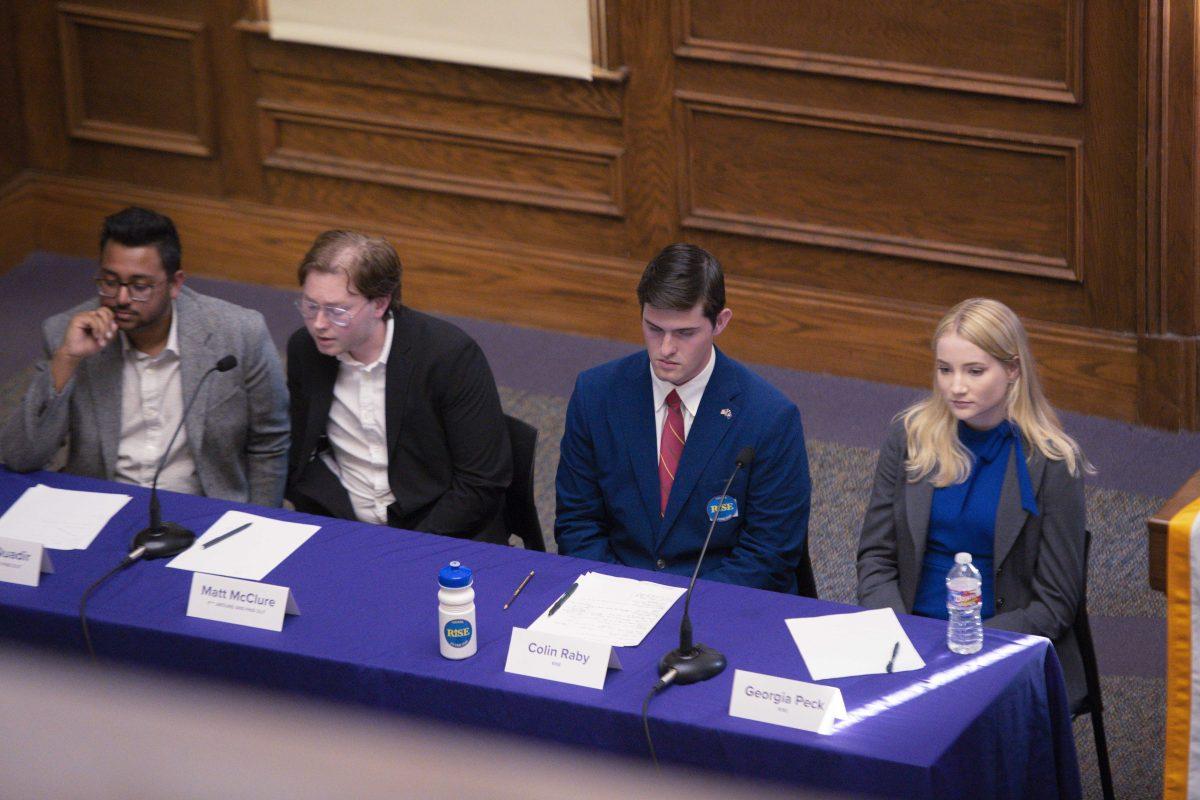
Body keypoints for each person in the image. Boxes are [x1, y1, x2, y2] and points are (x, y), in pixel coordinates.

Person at [856, 297, 1091, 705]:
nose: (956, 386)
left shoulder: (1052, 462)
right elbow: (876, 556)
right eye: (945, 370)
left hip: (998, 641)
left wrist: (971, 646)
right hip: (908, 633)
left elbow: (1054, 604)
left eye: (975, 371)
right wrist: (899, 631)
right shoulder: (910, 438)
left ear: (1013, 369)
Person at [555, 243, 811, 592]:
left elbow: (768, 555)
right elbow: (577, 523)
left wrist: (681, 611)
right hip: (613, 595)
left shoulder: (769, 418)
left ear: (720, 323)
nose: (665, 349)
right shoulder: (595, 394)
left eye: (685, 333)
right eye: (654, 328)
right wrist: (616, 597)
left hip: (718, 604)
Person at [0, 206, 290, 506]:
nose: (122, 299)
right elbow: (21, 457)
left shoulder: (238, 333)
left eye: (140, 286)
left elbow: (270, 442)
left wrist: (258, 519)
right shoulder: (66, 333)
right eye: (110, 282)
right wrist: (66, 360)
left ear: (176, 283)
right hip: (100, 507)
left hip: (204, 508)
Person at [286, 230, 511, 542]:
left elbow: (482, 481)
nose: (319, 324)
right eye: (310, 306)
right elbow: (300, 445)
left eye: (337, 311)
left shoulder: (448, 356)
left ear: (379, 304)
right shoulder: (305, 350)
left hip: (437, 530)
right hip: (345, 526)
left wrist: (408, 547)